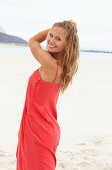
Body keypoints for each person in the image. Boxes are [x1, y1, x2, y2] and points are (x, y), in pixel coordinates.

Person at [16, 20, 79, 170]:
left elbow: (33, 41)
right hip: (36, 126)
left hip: (39, 131)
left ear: (67, 44)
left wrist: (53, 29)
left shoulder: (50, 65)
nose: (50, 40)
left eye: (58, 39)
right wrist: (59, 31)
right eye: (51, 35)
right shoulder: (60, 64)